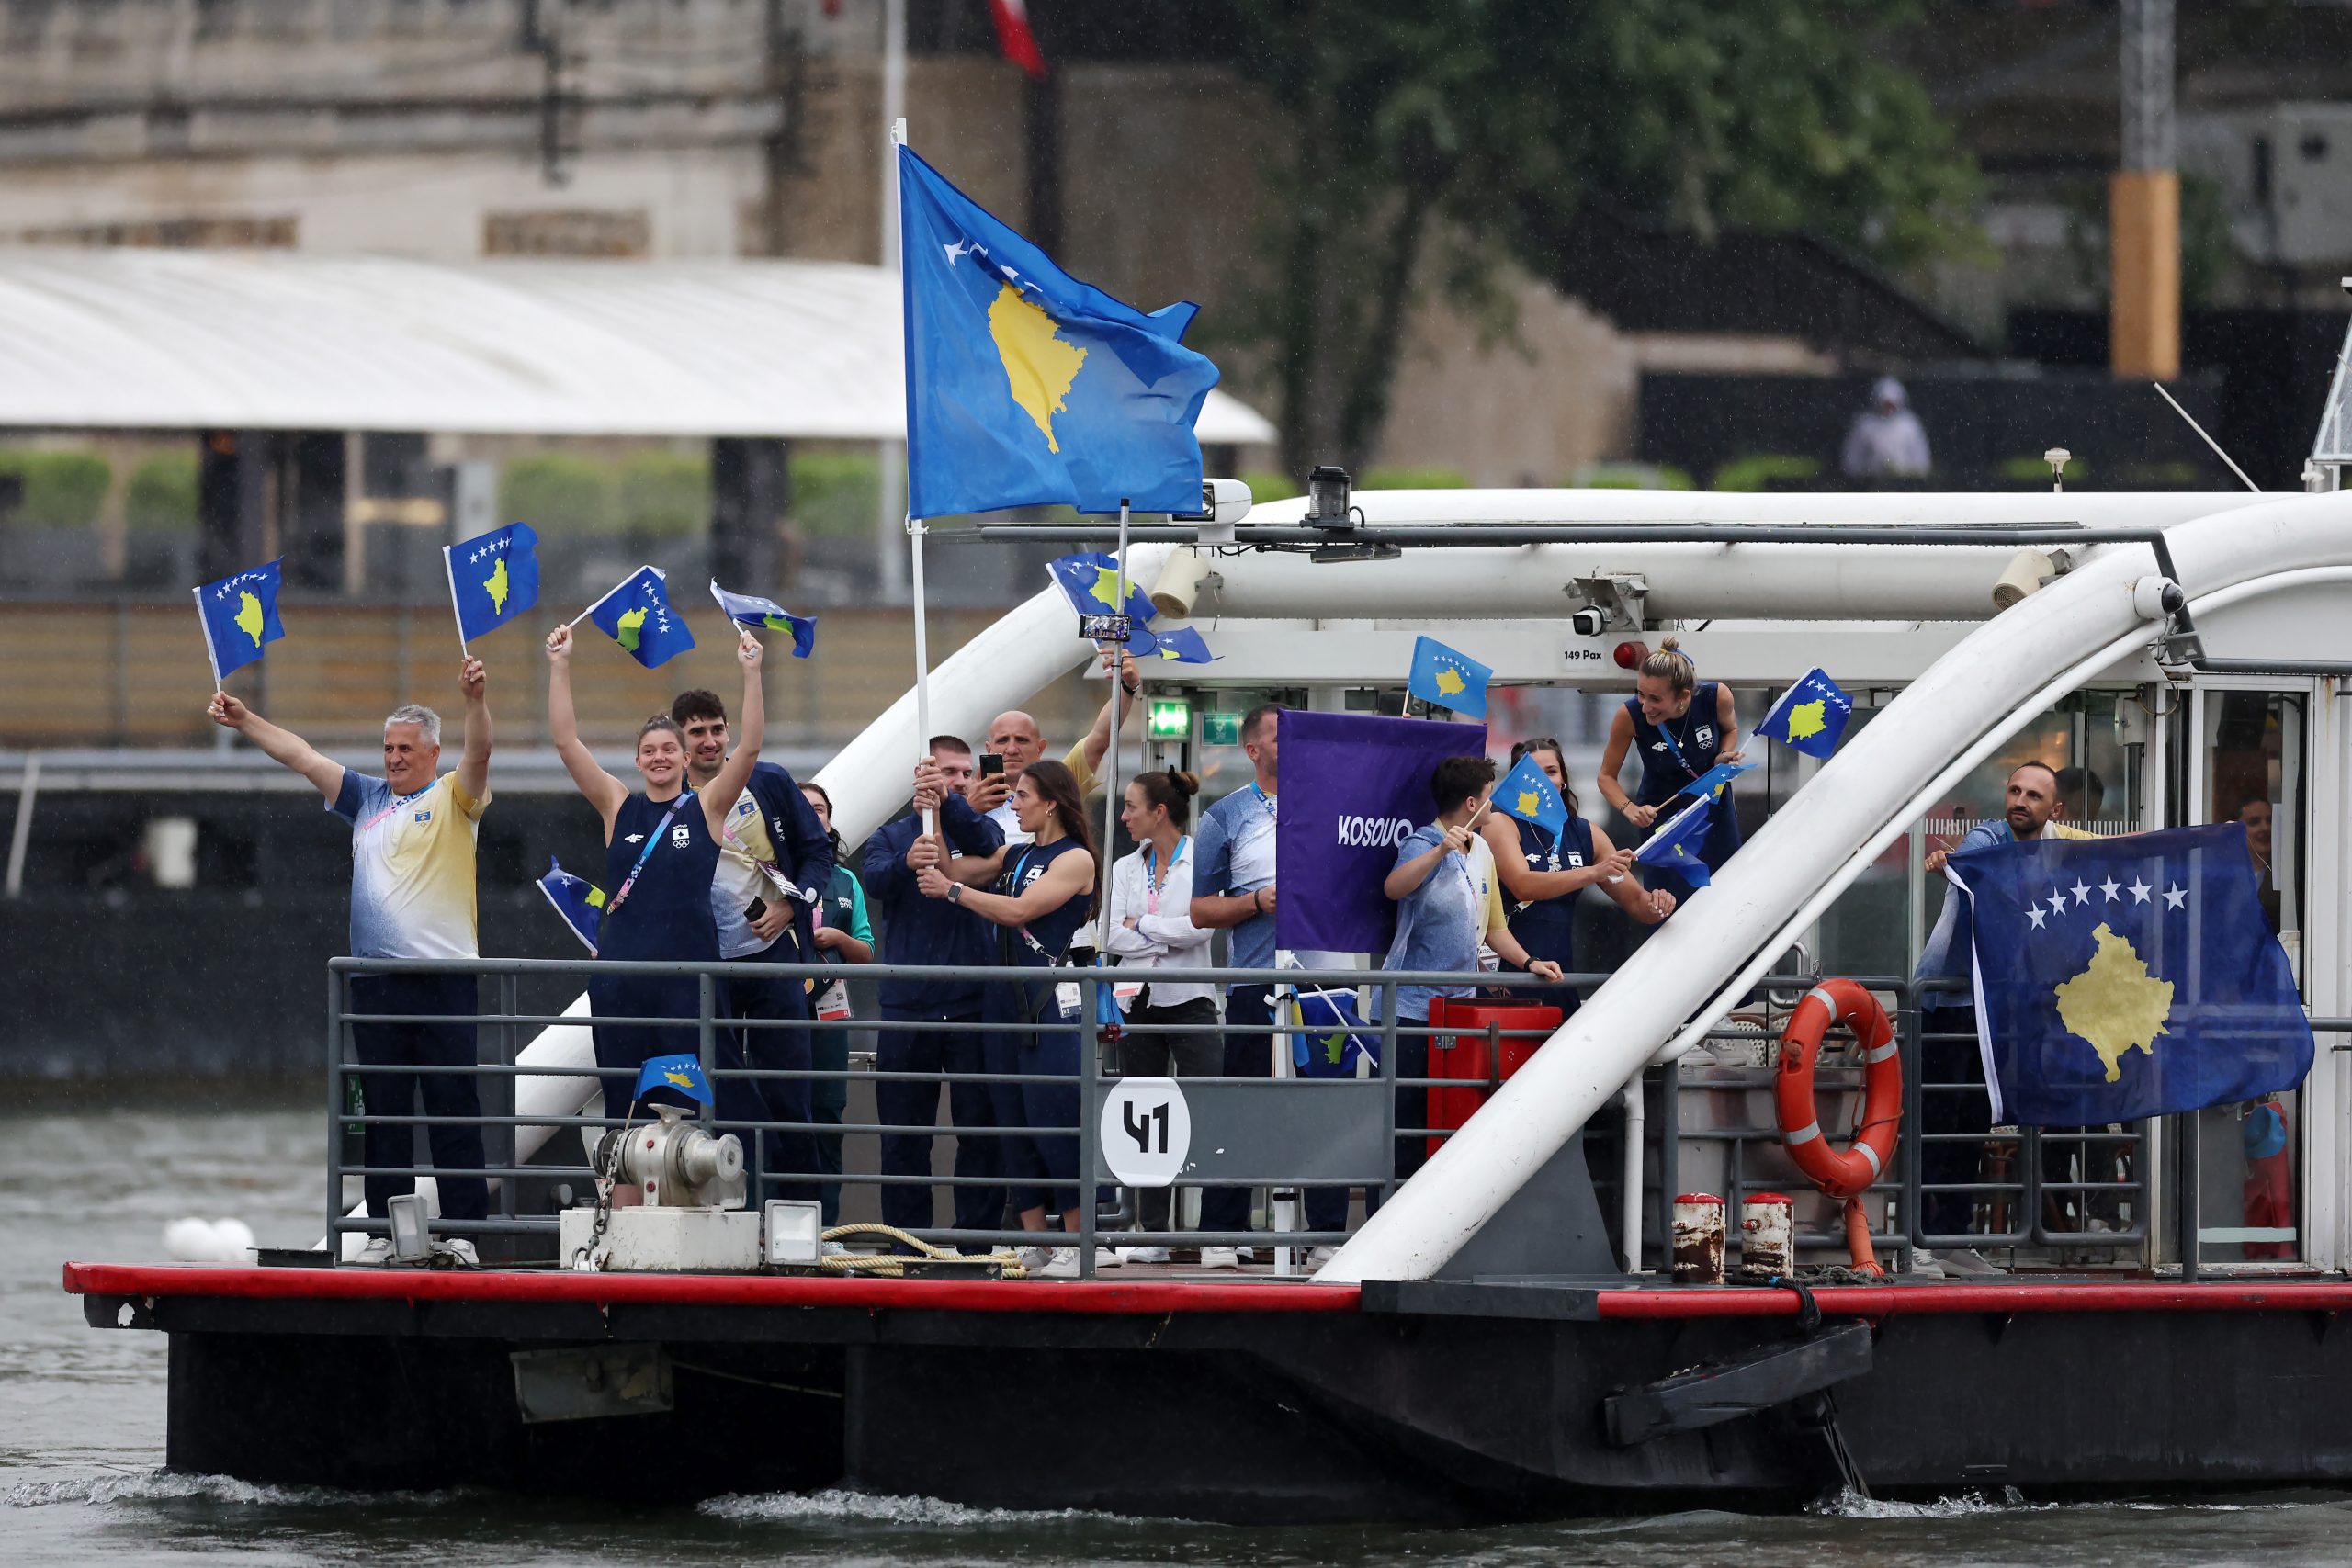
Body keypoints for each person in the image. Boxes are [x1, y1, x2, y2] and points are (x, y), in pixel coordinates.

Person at [209, 664, 494, 1265]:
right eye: (388, 747)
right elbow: (302, 756)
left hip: (443, 982)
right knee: (383, 1113)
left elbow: (481, 752)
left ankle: (466, 1231)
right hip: (375, 984)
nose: (394, 758)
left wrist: (475, 701)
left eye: (405, 749)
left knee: (452, 1107)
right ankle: (382, 1233)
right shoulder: (366, 799)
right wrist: (244, 720)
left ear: (431, 752)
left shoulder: (452, 797)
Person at [546, 624, 770, 1133]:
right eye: (649, 751)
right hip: (621, 983)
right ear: (638, 761)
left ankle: (695, 1201)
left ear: (686, 758)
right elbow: (565, 742)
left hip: (686, 986)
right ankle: (623, 1206)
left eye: (670, 749)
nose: (660, 757)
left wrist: (751, 672)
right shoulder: (617, 806)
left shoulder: (708, 807)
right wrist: (560, 666)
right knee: (626, 1113)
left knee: (686, 1108)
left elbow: (751, 748)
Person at [916, 759, 1111, 1279]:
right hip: (1002, 1001)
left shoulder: (1076, 860)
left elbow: (1019, 910)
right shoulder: (1016, 852)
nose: (1015, 804)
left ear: (1051, 801)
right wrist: (932, 811)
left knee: (1053, 1119)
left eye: (1023, 796)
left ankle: (1077, 1240)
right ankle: (1036, 1242)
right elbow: (954, 871)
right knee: (1010, 1120)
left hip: (1046, 1003)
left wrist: (952, 892)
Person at [1913, 760, 2100, 1273]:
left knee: (1971, 1125)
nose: (2019, 801)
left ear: (2053, 809)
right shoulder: (1984, 837)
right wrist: (1947, 864)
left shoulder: (2055, 847)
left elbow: (2115, 851)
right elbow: (1983, 869)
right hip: (1948, 1003)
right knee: (1937, 1125)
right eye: (2014, 790)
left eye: (2033, 796)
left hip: (1995, 1012)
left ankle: (1951, 1241)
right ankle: (1919, 1241)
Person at [1189, 703, 1346, 1267]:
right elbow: (1201, 910)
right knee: (1245, 1105)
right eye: (1283, 735)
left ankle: (1326, 1233)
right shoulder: (1224, 817)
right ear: (1253, 749)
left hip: (1328, 984)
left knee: (1326, 1108)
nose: (1296, 743)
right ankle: (1221, 1232)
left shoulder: (1333, 807)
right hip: (1257, 984)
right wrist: (1257, 901)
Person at [1375, 756, 1566, 1202]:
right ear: (1469, 803)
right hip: (1411, 1009)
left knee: (1452, 1121)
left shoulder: (1482, 851)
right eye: (1489, 800)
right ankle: (1387, 1221)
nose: (1495, 809)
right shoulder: (1422, 841)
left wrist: (1528, 962)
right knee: (1403, 1124)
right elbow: (1393, 888)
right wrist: (1440, 851)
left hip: (1460, 1012)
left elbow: (1495, 927)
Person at [671, 688, 833, 1205]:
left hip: (773, 958)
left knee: (790, 1093)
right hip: (705, 968)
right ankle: (728, 1216)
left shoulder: (768, 780)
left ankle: (805, 1224)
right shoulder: (663, 795)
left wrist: (794, 906)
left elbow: (817, 852)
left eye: (717, 728)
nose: (710, 740)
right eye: (697, 732)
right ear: (679, 740)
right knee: (712, 1096)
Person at [864, 737, 1006, 1246]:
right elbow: (874, 880)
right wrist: (907, 860)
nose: (960, 780)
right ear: (921, 775)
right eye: (948, 772)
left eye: (965, 773)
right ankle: (906, 1239)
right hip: (908, 1006)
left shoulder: (976, 826)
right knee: (904, 1134)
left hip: (972, 1003)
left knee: (980, 1132)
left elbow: (993, 848)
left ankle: (976, 1240)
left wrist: (951, 807)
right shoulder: (892, 834)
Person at [1101, 769, 1217, 1260]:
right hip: (1136, 1001)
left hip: (1192, 999)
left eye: (1131, 807)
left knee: (1209, 1111)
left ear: (1159, 812)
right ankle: (1153, 1231)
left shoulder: (1201, 859)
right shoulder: (1127, 865)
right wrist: (1164, 930)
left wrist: (1143, 924)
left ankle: (1216, 1231)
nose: (1124, 816)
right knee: (1146, 1115)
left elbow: (1202, 927)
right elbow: (1110, 935)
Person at [1480, 737, 1674, 1010]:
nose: (1543, 781)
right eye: (1532, 775)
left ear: (1564, 780)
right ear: (1516, 782)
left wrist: (1659, 903)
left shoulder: (1586, 833)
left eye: (1551, 772)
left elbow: (1637, 904)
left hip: (1560, 974)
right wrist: (1593, 872)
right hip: (1508, 973)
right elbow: (1523, 885)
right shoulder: (1501, 823)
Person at [1596, 639, 1744, 906]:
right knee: (1668, 902)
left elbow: (1731, 729)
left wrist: (1723, 755)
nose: (1645, 706)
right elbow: (1606, 776)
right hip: (1663, 820)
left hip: (1712, 810)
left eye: (1655, 698)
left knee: (1727, 892)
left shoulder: (1716, 696)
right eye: (1640, 694)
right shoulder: (1628, 715)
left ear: (1684, 697)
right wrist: (1629, 808)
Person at [800, 781, 874, 1229]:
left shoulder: (846, 880)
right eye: (803, 809)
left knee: (828, 1115)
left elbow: (867, 952)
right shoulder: (768, 871)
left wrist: (840, 939)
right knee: (776, 1116)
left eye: (821, 809)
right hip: (777, 1014)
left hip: (829, 1014)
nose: (814, 817)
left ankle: (828, 1229)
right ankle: (768, 1225)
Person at [984, 648, 1142, 843]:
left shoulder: (1058, 783)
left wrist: (1127, 687)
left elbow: (1100, 738)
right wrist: (969, 808)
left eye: (1022, 740)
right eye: (1002, 740)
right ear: (988, 750)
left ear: (1040, 748)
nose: (1012, 749)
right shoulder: (966, 791)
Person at [1840, 375, 1931, 479]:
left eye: (1891, 404)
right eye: (1885, 404)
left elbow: (1921, 456)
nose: (1888, 408)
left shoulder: (1910, 425)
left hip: (1905, 483)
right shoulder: (1865, 425)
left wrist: (1913, 473)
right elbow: (1852, 457)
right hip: (1870, 483)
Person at [2237, 795, 2279, 933]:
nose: (2265, 828)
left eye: (2270, 821)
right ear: (2237, 829)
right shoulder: (2226, 876)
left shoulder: (2285, 877)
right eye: (2254, 822)